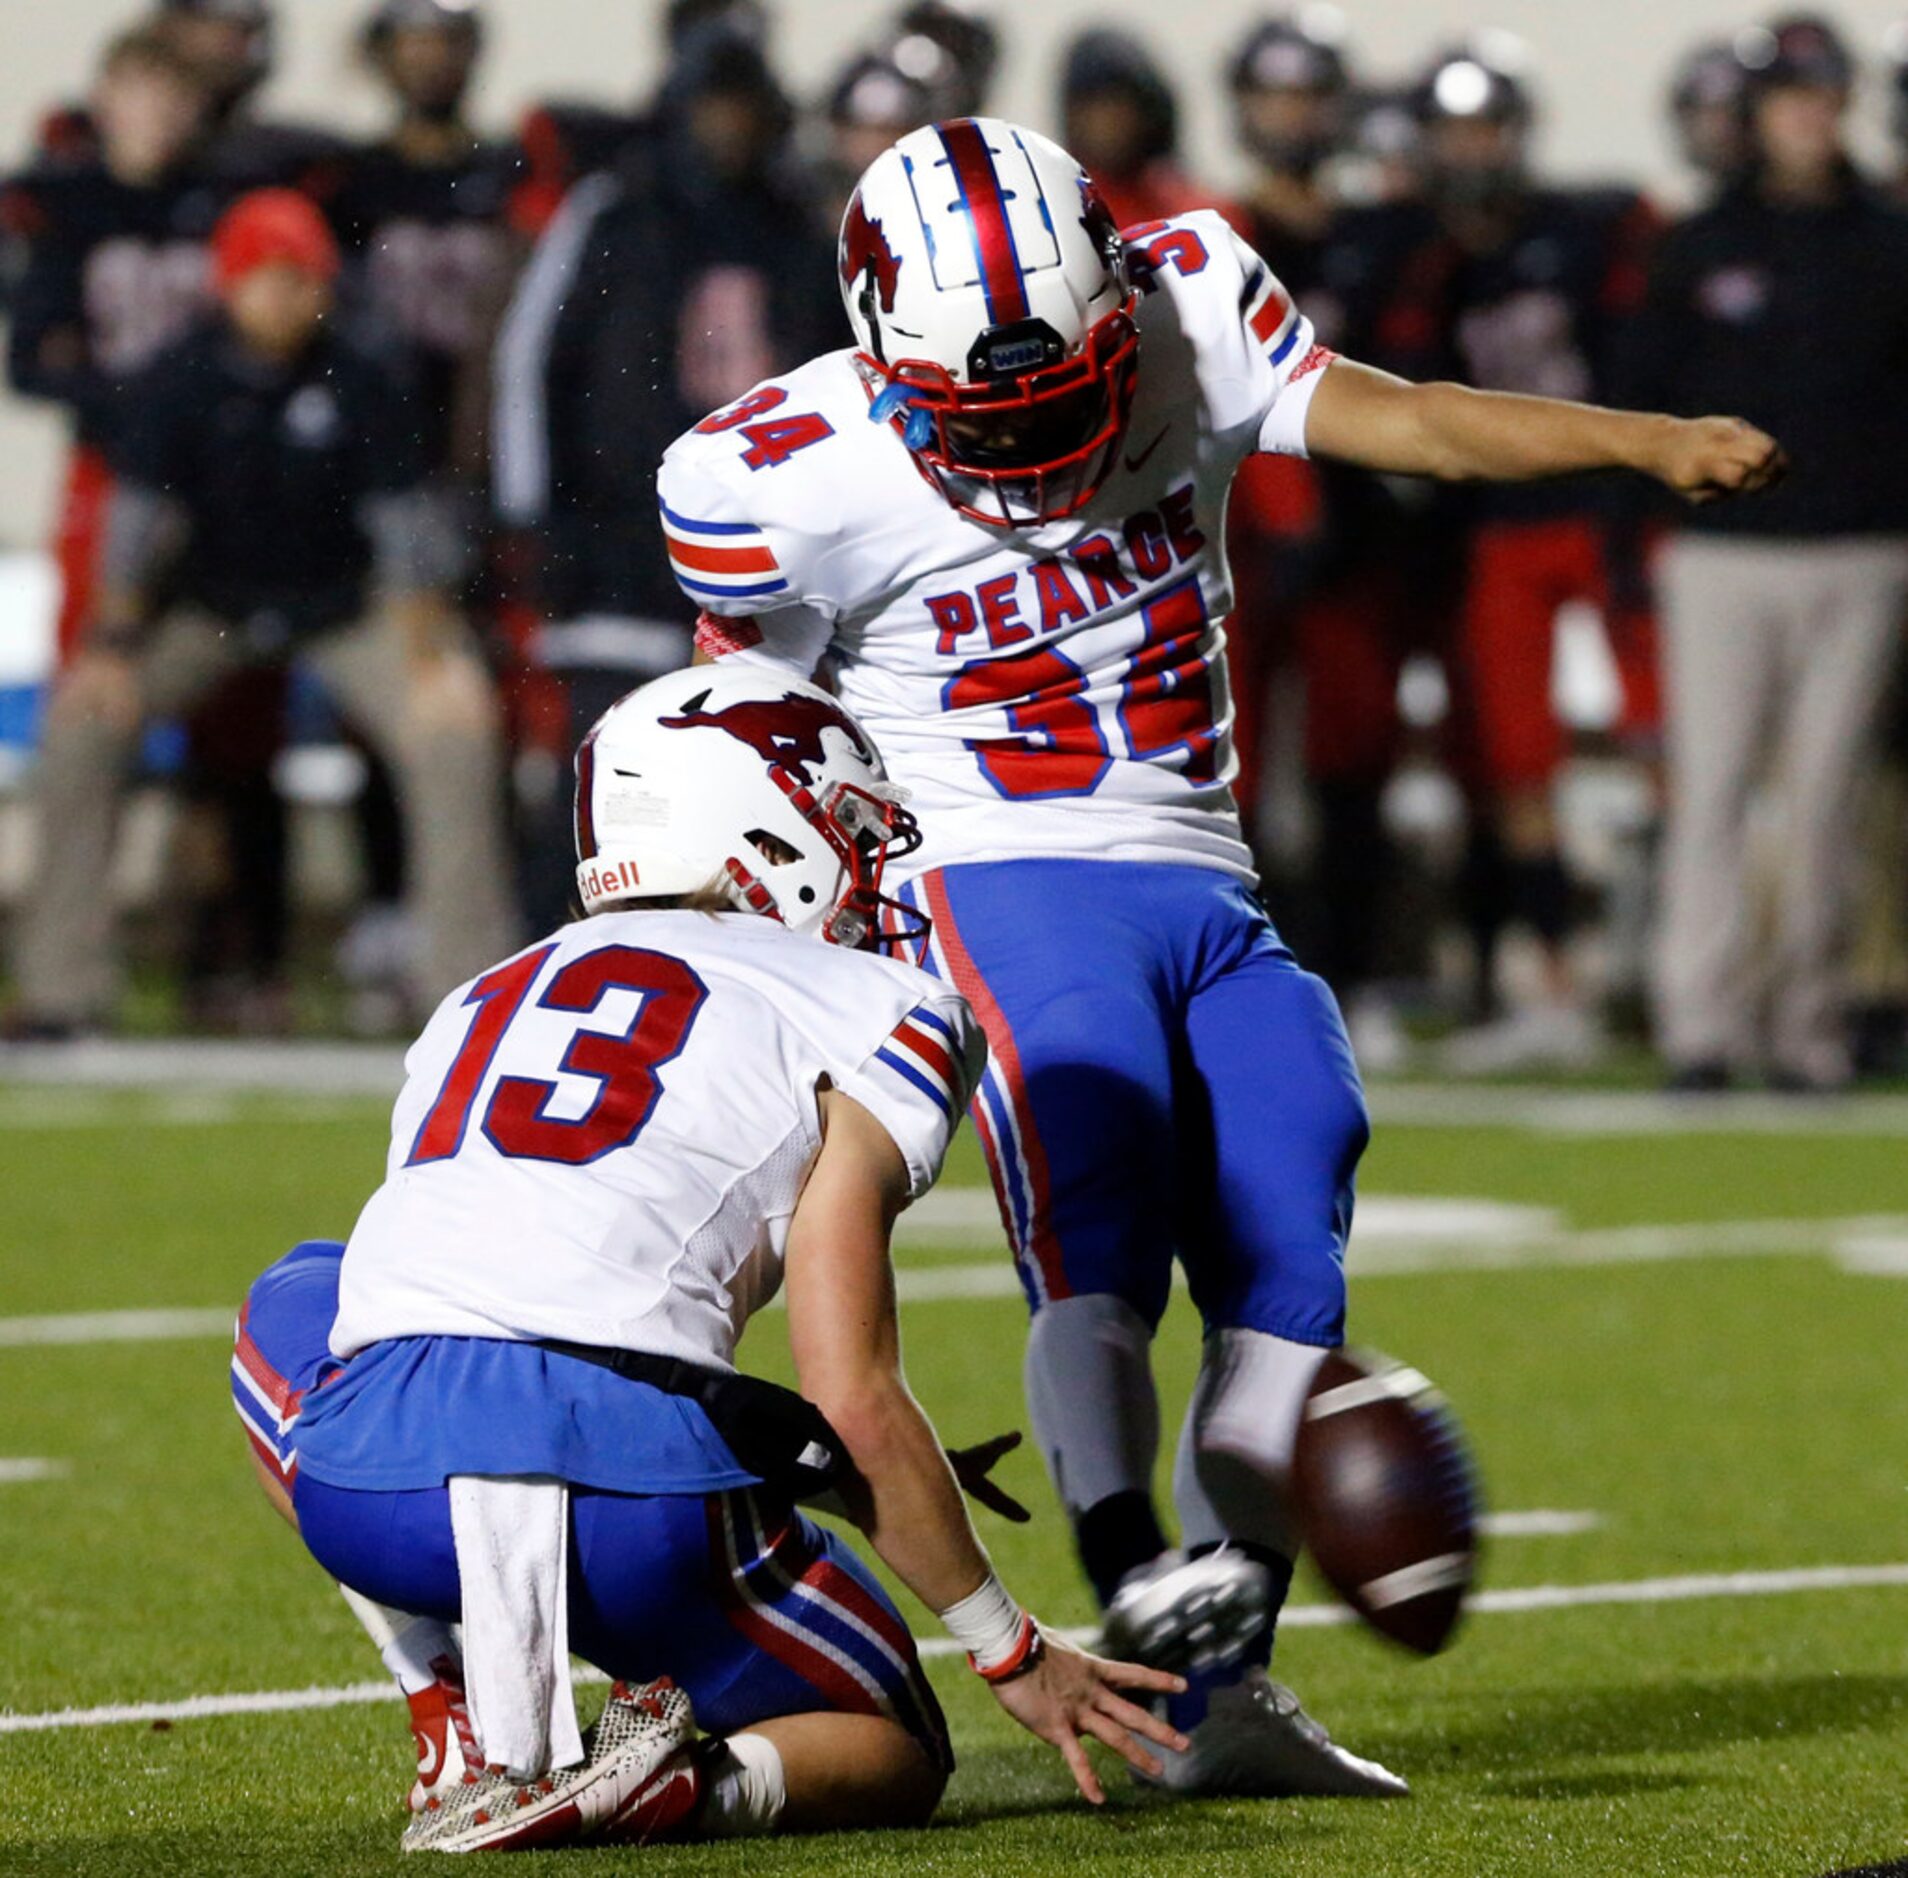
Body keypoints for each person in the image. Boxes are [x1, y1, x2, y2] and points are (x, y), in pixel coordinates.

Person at [662, 115, 1781, 1793]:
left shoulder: (1191, 297)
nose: (1039, 450)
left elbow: (1405, 419)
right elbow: (745, 731)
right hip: (997, 869)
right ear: (882, 354)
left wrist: (1634, 438)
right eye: (993, 419)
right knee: (1096, 1219)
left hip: (1203, 862)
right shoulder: (779, 473)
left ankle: (1222, 1665)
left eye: (1066, 395)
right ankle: (1131, 1573)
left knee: (1292, 1192)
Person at [231, 665, 1186, 1851]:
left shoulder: (480, 995)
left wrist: (821, 1458)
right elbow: (846, 1386)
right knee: (892, 1746)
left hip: (370, 1490)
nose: (862, 867)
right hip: (630, 1517)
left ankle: (451, 1704)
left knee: (295, 1297)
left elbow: (475, 1299)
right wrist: (1009, 1642)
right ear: (766, 830)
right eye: (845, 827)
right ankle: (675, 1786)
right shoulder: (884, 1005)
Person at [5, 188, 516, 1039]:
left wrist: (431, 659)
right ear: (229, 284)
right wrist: (111, 649)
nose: (284, 296)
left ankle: (465, 995)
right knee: (82, 728)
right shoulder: (179, 377)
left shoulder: (361, 370)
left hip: (350, 608)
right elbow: (136, 531)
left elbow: (404, 532)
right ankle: (63, 990)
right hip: (209, 607)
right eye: (266, 277)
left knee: (453, 731)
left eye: (300, 277)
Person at [492, 18, 836, 931]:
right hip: (615, 537)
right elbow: (534, 363)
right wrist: (535, 517)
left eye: (742, 107)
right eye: (709, 106)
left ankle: (740, 955)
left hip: (762, 549)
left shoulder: (798, 227)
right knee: (603, 758)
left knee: (754, 759)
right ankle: (557, 946)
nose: (725, 129)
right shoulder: (615, 210)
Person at [1624, 14, 1908, 1092]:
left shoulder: (1889, 242)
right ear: (1757, 114)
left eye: (1820, 95)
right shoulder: (1700, 244)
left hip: (1863, 550)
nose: (1805, 116)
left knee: (1828, 798)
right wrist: (1630, 540)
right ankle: (1701, 1026)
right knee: (1713, 790)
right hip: (1723, 552)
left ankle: (1809, 1026)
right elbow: (1644, 402)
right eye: (1788, 98)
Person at [1374, 42, 1666, 1068]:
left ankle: (1647, 955)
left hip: (1600, 512)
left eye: (1485, 128)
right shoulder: (1425, 259)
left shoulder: (1591, 227)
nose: (1472, 151)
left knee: (1657, 734)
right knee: (1516, 760)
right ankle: (1554, 976)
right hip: (1496, 528)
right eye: (1454, 132)